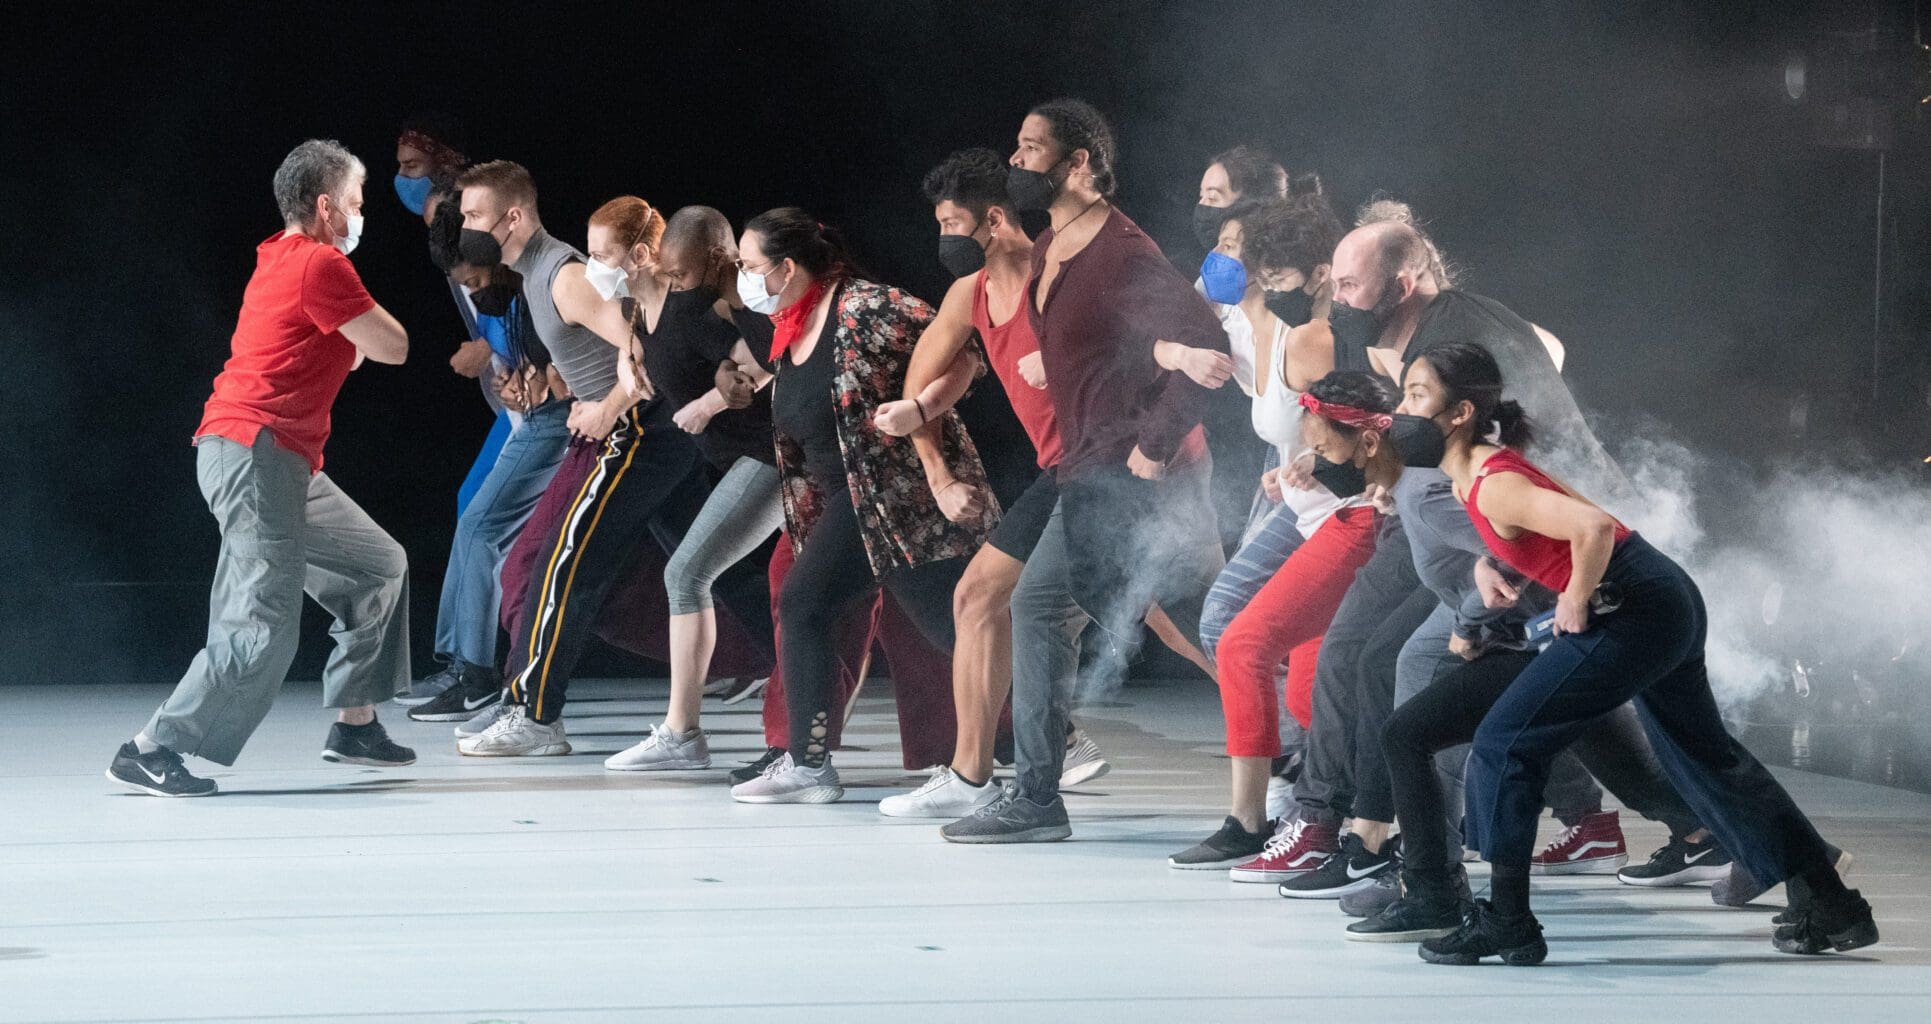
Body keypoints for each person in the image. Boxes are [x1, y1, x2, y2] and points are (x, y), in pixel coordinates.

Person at [1403, 342, 1877, 964]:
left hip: (1636, 609)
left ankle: (1507, 923)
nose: (1401, 408)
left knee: (1505, 742)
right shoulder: (1477, 474)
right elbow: (1580, 518)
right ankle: (1834, 906)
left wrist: (1573, 595)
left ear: (1461, 411)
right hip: (1661, 595)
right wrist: (1507, 563)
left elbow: (1595, 529)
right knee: (1706, 758)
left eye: (1416, 394)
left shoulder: (1492, 483)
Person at [1259, 214, 1624, 884]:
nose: (1338, 299)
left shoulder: (1448, 339)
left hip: (1526, 533)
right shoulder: (1433, 327)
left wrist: (1488, 562)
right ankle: (1396, 845)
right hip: (1492, 532)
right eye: (1335, 284)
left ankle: (1382, 846)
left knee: (1399, 669)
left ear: (1402, 284)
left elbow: (1457, 449)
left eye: (1349, 285)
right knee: (1575, 708)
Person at [942, 98, 1228, 843]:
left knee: (1050, 607)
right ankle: (1307, 746)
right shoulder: (1050, 245)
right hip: (1087, 463)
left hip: (1128, 468)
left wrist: (1154, 446)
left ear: (1077, 163)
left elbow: (1204, 349)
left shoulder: (1121, 251)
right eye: (1017, 144)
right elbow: (1127, 344)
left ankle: (1037, 797)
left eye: (1031, 148)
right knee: (1198, 618)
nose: (1016, 161)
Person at [108, 140, 413, 796]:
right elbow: (392, 346)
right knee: (261, 620)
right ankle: (152, 747)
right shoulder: (318, 265)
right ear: (327, 207)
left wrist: (346, 342)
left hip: (277, 458)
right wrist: (356, 337)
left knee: (377, 566)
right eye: (357, 204)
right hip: (256, 452)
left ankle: (355, 722)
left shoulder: (278, 256)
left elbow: (345, 350)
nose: (363, 216)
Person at [868, 147, 1115, 818]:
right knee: (978, 600)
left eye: (952, 223)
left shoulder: (1058, 272)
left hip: (1111, 462)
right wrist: (936, 465)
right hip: (1059, 469)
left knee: (1172, 611)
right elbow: (920, 384)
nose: (943, 238)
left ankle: (1283, 736)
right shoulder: (967, 296)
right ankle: (971, 777)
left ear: (996, 218)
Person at [726, 207, 998, 804]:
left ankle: (1050, 739)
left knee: (946, 628)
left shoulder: (865, 306)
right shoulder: (790, 329)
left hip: (898, 502)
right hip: (849, 504)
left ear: (788, 267)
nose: (742, 277)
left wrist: (921, 409)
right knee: (822, 607)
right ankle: (808, 762)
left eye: (749, 266)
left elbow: (966, 350)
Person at [449, 169, 693, 756]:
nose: (464, 227)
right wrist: (559, 382)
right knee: (712, 571)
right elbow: (600, 351)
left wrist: (607, 406)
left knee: (564, 566)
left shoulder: (563, 276)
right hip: (626, 431)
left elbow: (647, 346)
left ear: (513, 218)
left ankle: (535, 717)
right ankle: (524, 705)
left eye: (474, 216)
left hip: (638, 430)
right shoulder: (533, 275)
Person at [1167, 196, 1369, 872]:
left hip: (1352, 522)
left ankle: (1253, 819)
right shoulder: (1239, 323)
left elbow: (1365, 427)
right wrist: (1294, 467)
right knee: (1311, 691)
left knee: (1242, 642)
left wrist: (1316, 462)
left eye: (1233, 246)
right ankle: (1323, 814)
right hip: (1312, 518)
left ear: (1268, 266)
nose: (1219, 258)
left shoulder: (1305, 337)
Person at [599, 203, 784, 771]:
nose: (594, 267)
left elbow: (767, 356)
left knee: (686, 573)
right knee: (716, 577)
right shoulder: (638, 314)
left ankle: (683, 734)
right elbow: (641, 358)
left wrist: (714, 397)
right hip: (733, 461)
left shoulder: (692, 309)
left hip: (768, 456)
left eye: (602, 254)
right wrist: (626, 375)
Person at [404, 186, 574, 724]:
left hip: (565, 425)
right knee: (475, 518)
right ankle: (465, 668)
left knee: (482, 527)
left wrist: (546, 379)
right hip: (533, 418)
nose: (474, 294)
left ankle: (475, 674)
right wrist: (514, 379)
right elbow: (522, 365)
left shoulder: (543, 279)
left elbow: (580, 358)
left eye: (475, 281)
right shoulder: (496, 296)